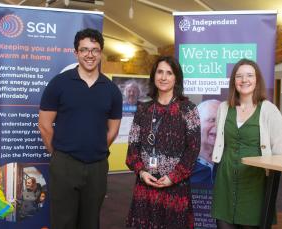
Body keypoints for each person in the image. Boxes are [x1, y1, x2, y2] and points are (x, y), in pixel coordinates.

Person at [38, 28, 122, 229]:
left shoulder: (111, 90)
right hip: (65, 164)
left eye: (94, 50)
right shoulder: (59, 84)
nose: (89, 55)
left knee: (90, 222)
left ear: (101, 53)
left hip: (97, 166)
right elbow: (44, 125)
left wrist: (95, 148)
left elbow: (113, 130)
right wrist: (59, 154)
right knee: (62, 222)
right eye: (84, 49)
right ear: (76, 52)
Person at [211, 59, 282, 229]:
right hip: (225, 181)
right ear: (234, 82)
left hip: (256, 185)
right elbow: (219, 143)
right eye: (239, 76)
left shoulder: (269, 110)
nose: (244, 80)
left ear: (257, 80)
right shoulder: (223, 108)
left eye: (249, 75)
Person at [125, 56, 201, 228]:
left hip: (175, 189)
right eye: (160, 72)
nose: (164, 77)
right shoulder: (143, 109)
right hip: (145, 187)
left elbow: (193, 150)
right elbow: (133, 147)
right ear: (154, 76)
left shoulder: (188, 109)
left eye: (169, 73)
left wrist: (173, 177)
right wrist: (142, 172)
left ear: (176, 78)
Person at [190, 99, 220, 187]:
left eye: (222, 121)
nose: (219, 126)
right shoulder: (184, 163)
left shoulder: (229, 163)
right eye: (212, 120)